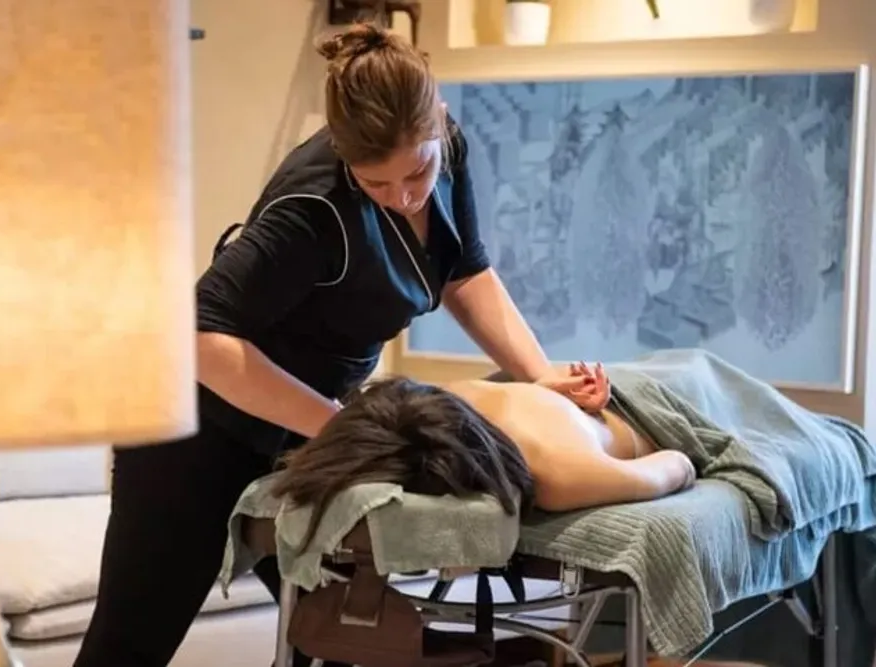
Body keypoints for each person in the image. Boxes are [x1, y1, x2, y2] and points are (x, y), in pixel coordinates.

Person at [73, 22, 607, 667]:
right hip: (194, 433)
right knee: (127, 648)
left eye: (416, 173)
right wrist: (340, 427)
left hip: (299, 427)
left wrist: (537, 376)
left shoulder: (448, 147)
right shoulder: (312, 206)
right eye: (375, 184)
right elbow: (196, 336)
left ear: (437, 121)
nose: (403, 196)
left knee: (341, 636)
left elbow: (465, 271)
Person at [272, 369, 698, 555]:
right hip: (564, 392)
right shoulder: (429, 400)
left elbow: (680, 461)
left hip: (657, 396)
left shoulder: (558, 473)